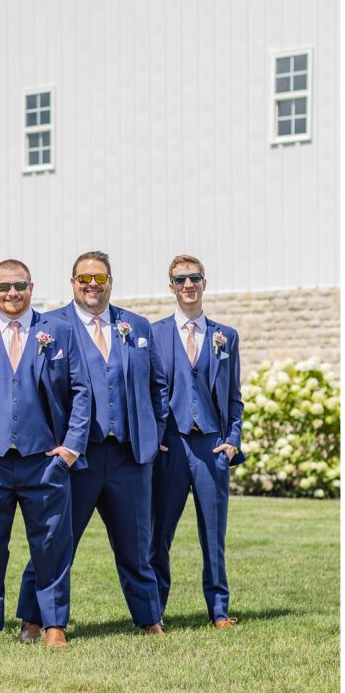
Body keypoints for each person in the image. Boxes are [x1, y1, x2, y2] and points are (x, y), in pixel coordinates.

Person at [17, 251, 169, 639]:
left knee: (136, 544)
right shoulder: (49, 325)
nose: (91, 285)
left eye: (99, 279)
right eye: (84, 278)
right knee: (55, 542)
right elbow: (35, 389)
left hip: (128, 456)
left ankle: (149, 618)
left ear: (110, 282)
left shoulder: (135, 326)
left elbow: (158, 386)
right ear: (72, 283)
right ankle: (34, 619)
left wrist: (152, 434)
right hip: (75, 457)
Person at [0, 258, 91, 648]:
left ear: (31, 286)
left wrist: (70, 449)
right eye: (4, 287)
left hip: (45, 461)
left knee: (52, 544)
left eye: (19, 286)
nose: (12, 293)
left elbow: (81, 392)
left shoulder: (57, 332)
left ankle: (54, 624)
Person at [150, 255, 244, 628]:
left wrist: (232, 440)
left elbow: (234, 395)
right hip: (170, 446)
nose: (187, 285)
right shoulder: (153, 333)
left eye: (194, 278)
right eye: (179, 279)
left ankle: (219, 611)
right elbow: (144, 391)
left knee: (213, 534)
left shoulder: (226, 336)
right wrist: (152, 438)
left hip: (210, 446)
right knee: (159, 534)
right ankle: (153, 611)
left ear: (204, 283)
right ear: (170, 287)